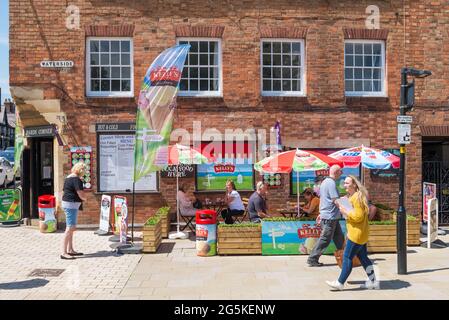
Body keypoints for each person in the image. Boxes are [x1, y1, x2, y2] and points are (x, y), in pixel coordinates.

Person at [326, 175, 379, 290]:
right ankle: (373, 281)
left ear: (354, 185)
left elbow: (358, 216)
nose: (344, 185)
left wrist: (344, 211)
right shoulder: (355, 196)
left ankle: (340, 283)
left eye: (347, 183)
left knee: (347, 257)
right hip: (361, 233)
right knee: (364, 258)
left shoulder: (357, 198)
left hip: (356, 234)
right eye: (344, 183)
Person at [306, 165, 345, 267]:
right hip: (330, 216)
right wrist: (346, 209)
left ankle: (346, 257)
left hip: (330, 216)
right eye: (340, 172)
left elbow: (324, 200)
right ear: (336, 172)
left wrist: (320, 213)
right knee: (325, 239)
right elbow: (335, 200)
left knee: (339, 238)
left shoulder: (325, 182)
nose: (341, 174)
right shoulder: (331, 183)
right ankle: (312, 259)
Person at [61, 162, 87, 260]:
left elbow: (64, 191)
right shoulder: (76, 179)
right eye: (83, 170)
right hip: (71, 204)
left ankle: (70, 249)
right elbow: (80, 193)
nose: (84, 173)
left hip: (68, 204)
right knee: (69, 228)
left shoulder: (68, 178)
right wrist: (85, 199)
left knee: (71, 228)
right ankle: (63, 252)